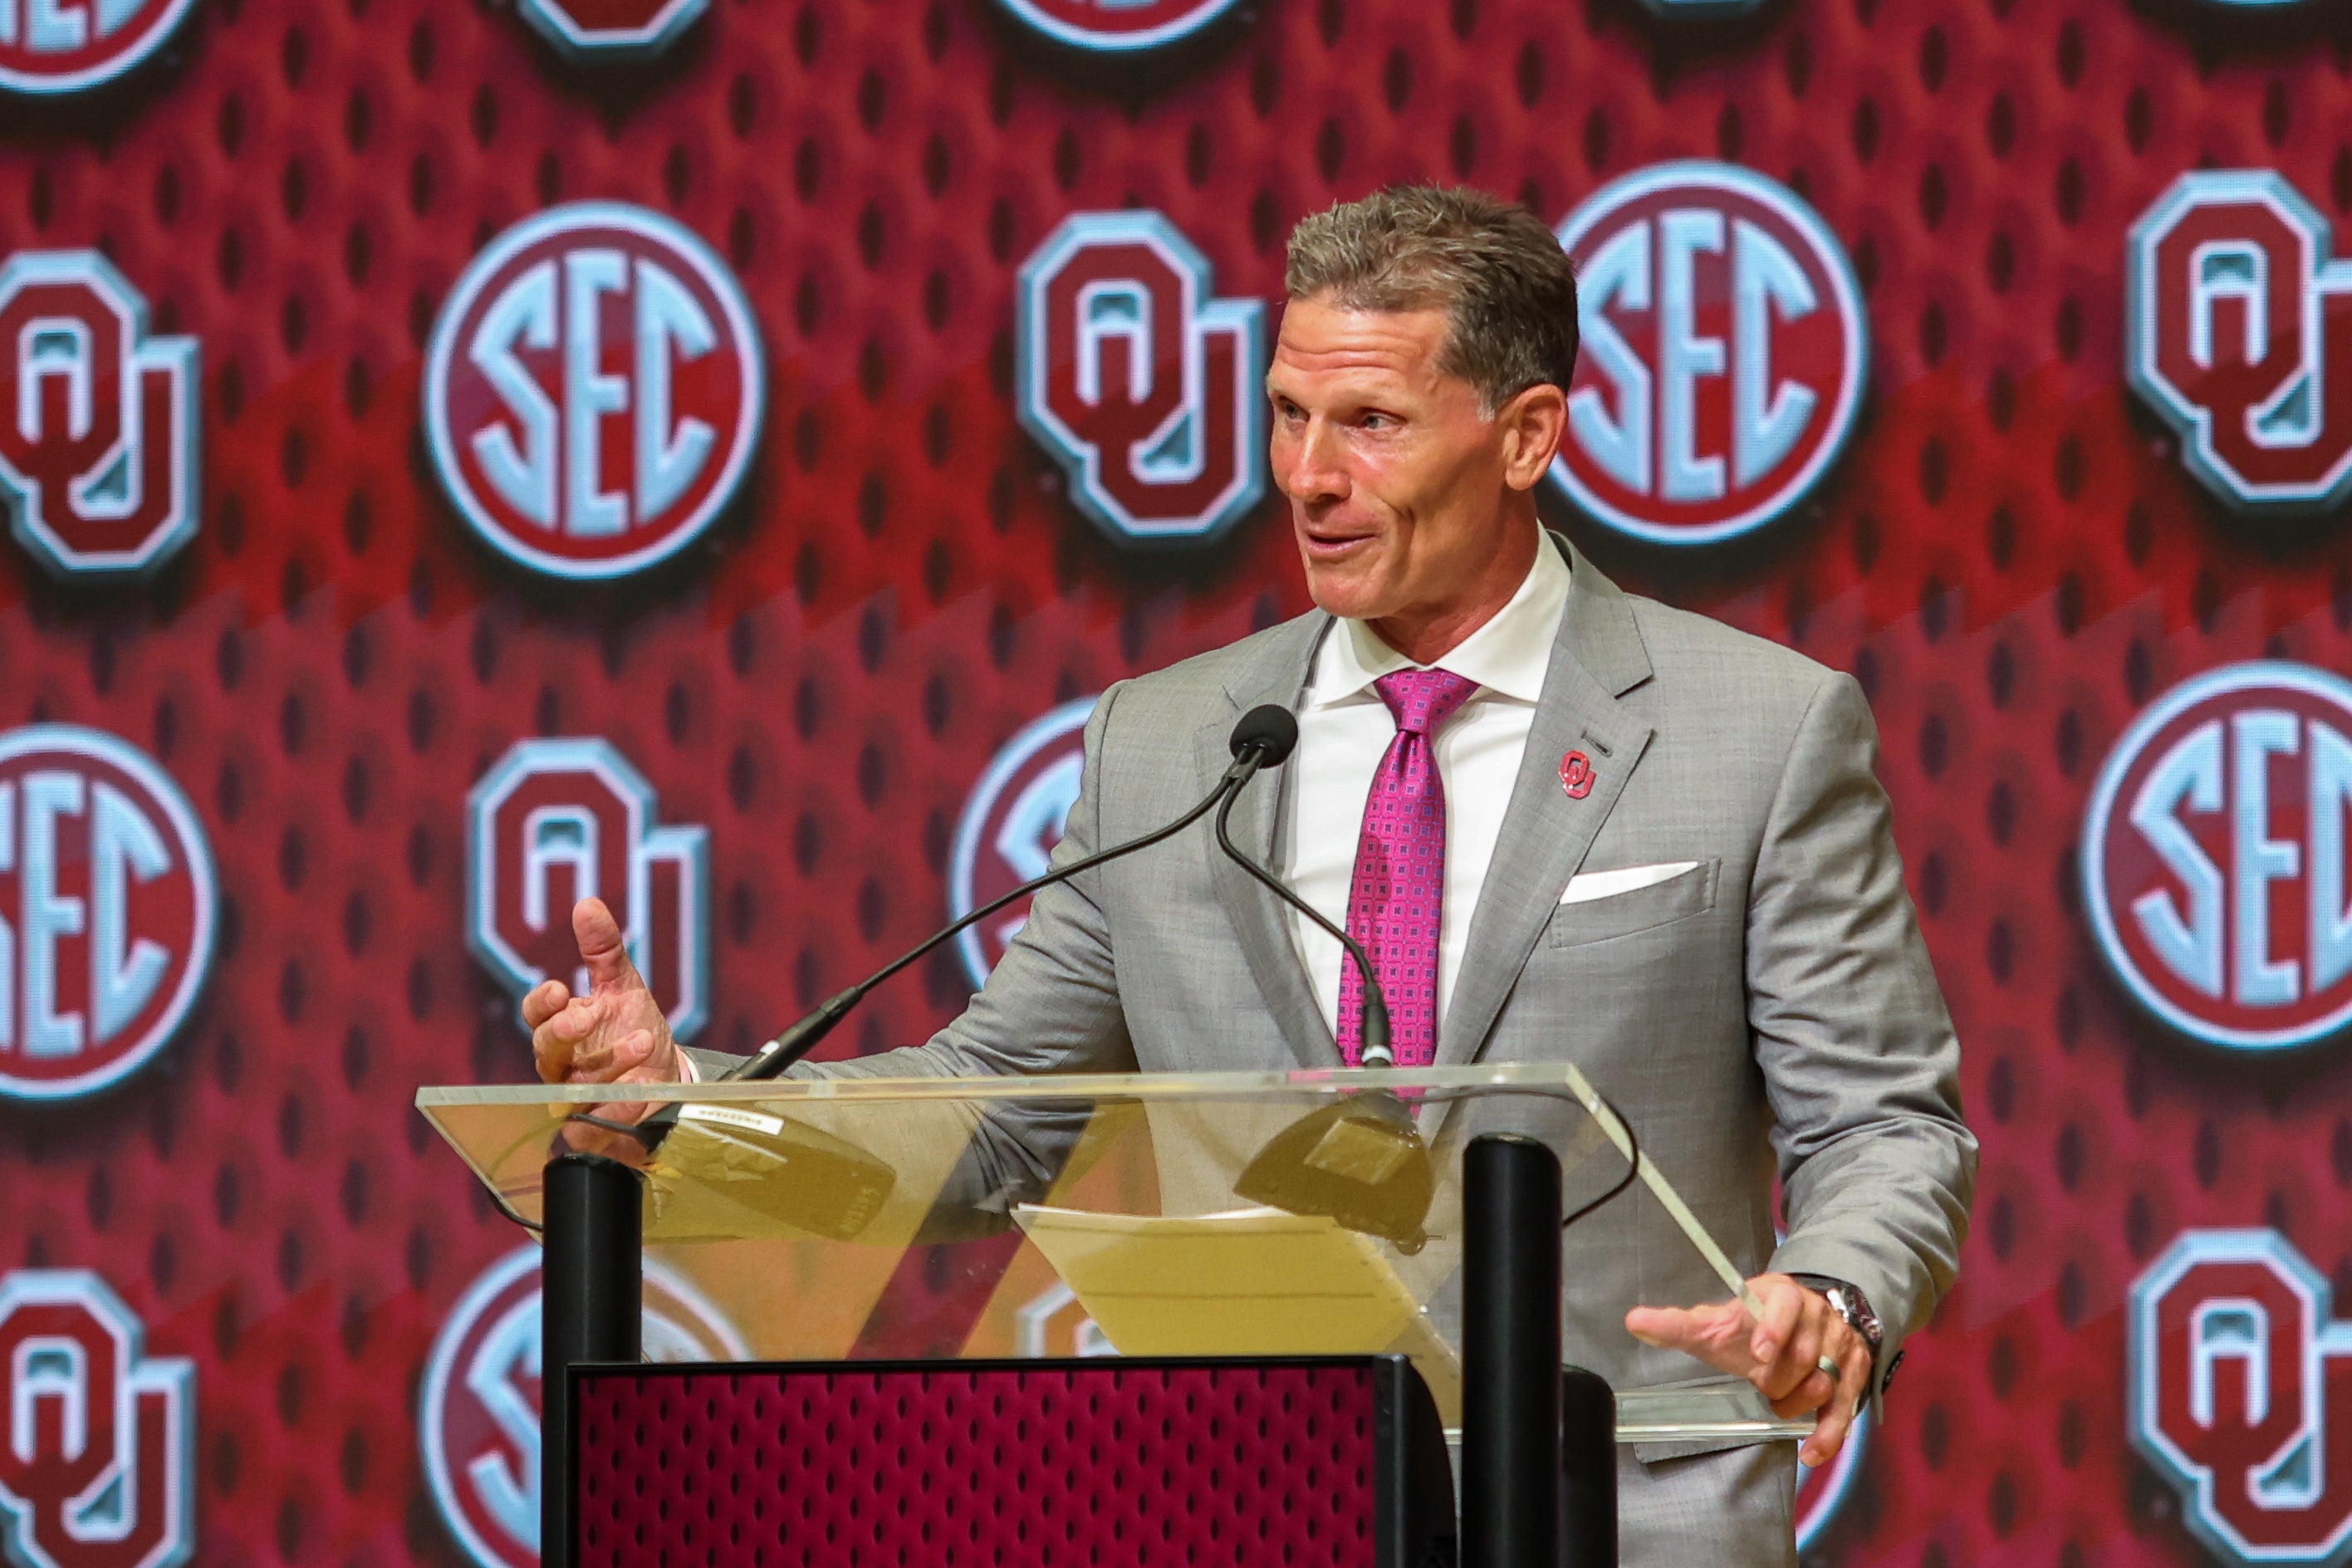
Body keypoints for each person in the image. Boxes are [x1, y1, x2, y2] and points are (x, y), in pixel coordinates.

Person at [527, 184, 1975, 1564]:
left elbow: (1886, 1122)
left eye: (1372, 424)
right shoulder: (1167, 748)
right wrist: (692, 1107)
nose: (1308, 478)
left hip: (1624, 1510)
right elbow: (994, 1120)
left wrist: (1830, 1292)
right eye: (1288, 415)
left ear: (1525, 435)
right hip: (1258, 1503)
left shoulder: (1758, 730)